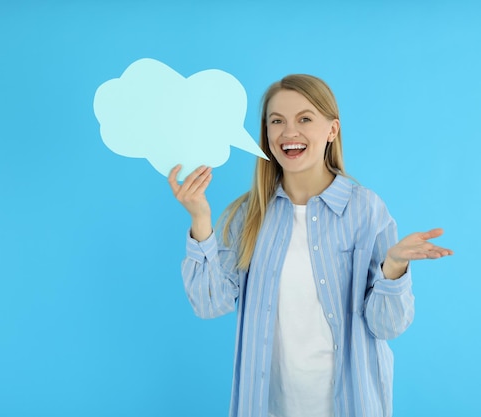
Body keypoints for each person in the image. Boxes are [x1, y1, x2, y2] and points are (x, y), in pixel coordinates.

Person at [168, 74, 453, 417]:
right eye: (277, 121)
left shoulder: (365, 210)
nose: (289, 132)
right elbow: (208, 303)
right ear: (267, 135)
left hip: (351, 405)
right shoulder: (249, 215)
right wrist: (200, 220)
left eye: (304, 119)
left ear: (332, 130)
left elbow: (386, 326)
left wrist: (393, 268)